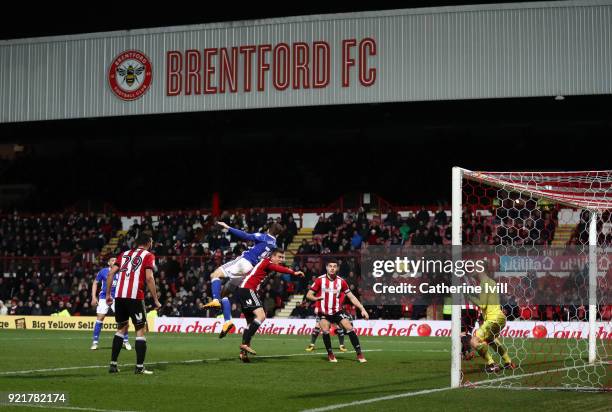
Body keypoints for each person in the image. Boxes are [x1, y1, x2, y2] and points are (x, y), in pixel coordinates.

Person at [203, 221, 283, 337]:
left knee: (214, 275)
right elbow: (269, 264)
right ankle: (227, 322)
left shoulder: (264, 237)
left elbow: (245, 236)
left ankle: (215, 301)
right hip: (250, 271)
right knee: (224, 293)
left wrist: (228, 227)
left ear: (269, 230)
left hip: (244, 262)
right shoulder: (274, 246)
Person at [106, 233, 161, 374]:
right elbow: (149, 277)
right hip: (135, 296)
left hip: (119, 296)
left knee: (121, 328)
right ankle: (139, 368)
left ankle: (113, 365)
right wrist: (155, 299)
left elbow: (111, 273)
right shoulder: (148, 255)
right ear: (148, 243)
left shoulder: (124, 254)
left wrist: (107, 294)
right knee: (140, 330)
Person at [234, 248, 304, 361]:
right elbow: (278, 268)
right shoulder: (267, 262)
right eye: (280, 257)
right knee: (261, 316)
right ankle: (245, 345)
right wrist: (294, 272)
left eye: (283, 257)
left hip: (243, 290)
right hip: (248, 289)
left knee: (250, 323)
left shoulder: (265, 262)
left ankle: (243, 353)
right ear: (273, 257)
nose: (281, 260)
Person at [306, 259, 369, 363]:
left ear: (337, 268)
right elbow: (309, 295)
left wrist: (362, 309)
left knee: (349, 327)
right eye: (330, 266)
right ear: (326, 267)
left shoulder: (341, 281)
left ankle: (359, 354)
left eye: (334, 266)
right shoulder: (319, 280)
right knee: (325, 330)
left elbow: (352, 297)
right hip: (324, 313)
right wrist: (316, 299)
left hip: (337, 311)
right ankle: (330, 354)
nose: (332, 268)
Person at [469, 269, 516, 372]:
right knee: (492, 340)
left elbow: (482, 305)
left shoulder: (484, 283)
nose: (475, 278)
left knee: (474, 341)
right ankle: (508, 362)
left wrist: (469, 296)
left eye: (476, 275)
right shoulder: (492, 282)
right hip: (500, 318)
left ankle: (492, 364)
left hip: (493, 319)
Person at [90, 257, 130, 350]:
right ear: (109, 263)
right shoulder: (103, 271)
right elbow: (95, 283)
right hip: (104, 297)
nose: (115, 261)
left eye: (116, 260)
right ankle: (95, 342)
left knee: (123, 320)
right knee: (100, 318)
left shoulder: (122, 272)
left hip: (117, 298)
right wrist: (93, 297)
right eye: (112, 260)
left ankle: (126, 341)